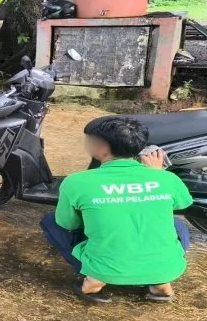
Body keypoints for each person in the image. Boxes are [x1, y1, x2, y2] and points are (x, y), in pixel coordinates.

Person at [40, 117, 193, 304]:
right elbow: (182, 204)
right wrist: (156, 175)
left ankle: (94, 280)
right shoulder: (166, 179)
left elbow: (68, 224)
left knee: (50, 221)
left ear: (101, 146)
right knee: (178, 225)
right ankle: (160, 282)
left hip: (104, 269)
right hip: (169, 268)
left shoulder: (76, 182)